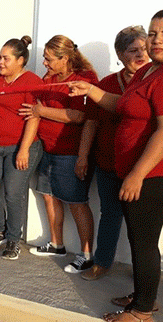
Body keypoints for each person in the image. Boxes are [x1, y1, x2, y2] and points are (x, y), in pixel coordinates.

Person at [70, 8, 163, 322]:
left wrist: (136, 174)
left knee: (144, 244)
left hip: (153, 175)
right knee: (140, 242)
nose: (157, 40)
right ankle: (143, 297)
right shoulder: (149, 72)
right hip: (142, 173)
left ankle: (141, 313)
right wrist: (92, 90)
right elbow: (121, 106)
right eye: (153, 33)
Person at [19, 35, 98, 273]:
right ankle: (57, 244)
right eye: (44, 58)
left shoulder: (84, 79)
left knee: (76, 203)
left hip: (71, 153)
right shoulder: (49, 79)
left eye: (49, 59)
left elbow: (79, 116)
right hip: (48, 149)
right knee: (48, 196)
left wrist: (40, 110)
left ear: (65, 58)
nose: (44, 63)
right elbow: (37, 112)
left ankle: (86, 255)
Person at [78, 26, 149, 281]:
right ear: (120, 54)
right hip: (108, 164)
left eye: (144, 49)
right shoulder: (107, 84)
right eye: (133, 50)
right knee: (110, 214)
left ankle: (144, 275)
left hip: (141, 166)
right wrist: (83, 156)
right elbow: (91, 123)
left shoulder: (155, 82)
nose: (141, 54)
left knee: (141, 224)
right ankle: (102, 263)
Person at [0, 36, 43, 260]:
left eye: (6, 58)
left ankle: (14, 238)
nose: (1, 62)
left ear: (20, 60)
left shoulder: (31, 81)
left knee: (13, 193)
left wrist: (24, 150)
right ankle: (0, 229)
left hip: (20, 146)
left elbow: (33, 118)